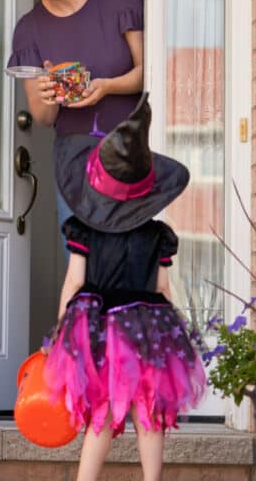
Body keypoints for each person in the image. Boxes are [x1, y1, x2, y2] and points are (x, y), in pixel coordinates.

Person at [45, 93, 205, 481]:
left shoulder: (82, 230)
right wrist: (173, 330)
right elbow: (163, 289)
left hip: (97, 326)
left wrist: (62, 333)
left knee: (100, 412)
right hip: (148, 328)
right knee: (149, 411)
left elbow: (75, 280)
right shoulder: (158, 235)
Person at [7, 0, 144, 239]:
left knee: (131, 257)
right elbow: (43, 118)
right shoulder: (28, 30)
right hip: (75, 158)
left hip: (129, 147)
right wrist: (47, 94)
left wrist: (107, 86)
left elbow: (146, 74)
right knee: (83, 265)